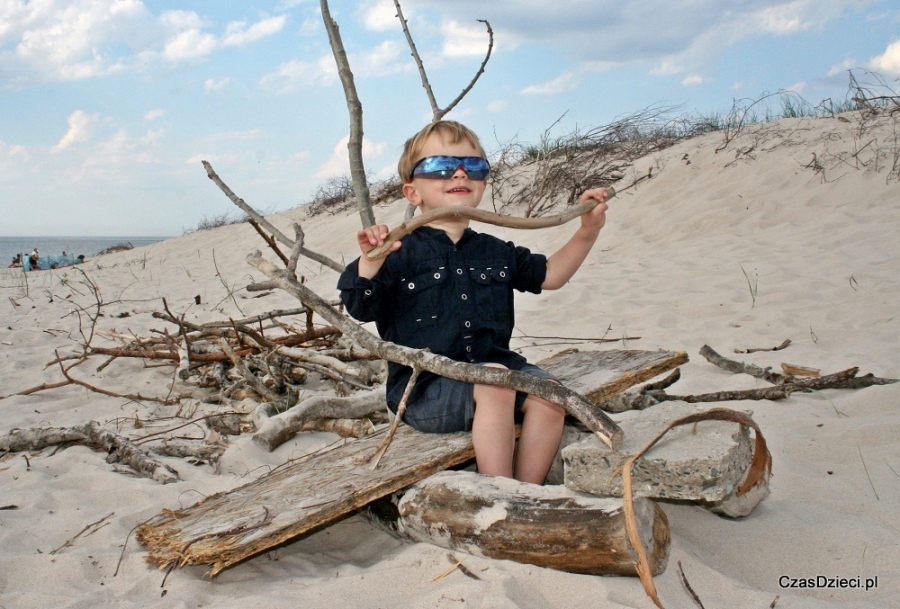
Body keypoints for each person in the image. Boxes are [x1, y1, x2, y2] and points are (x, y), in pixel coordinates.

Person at [338, 120, 610, 485]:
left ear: (482, 182)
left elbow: (550, 276)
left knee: (551, 395)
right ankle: (501, 492)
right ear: (412, 192)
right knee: (496, 382)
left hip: (498, 371)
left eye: (474, 166)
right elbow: (359, 307)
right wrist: (371, 261)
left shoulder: (493, 250)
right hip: (426, 390)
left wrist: (587, 230)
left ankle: (530, 493)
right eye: (440, 167)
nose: (460, 172)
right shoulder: (397, 252)